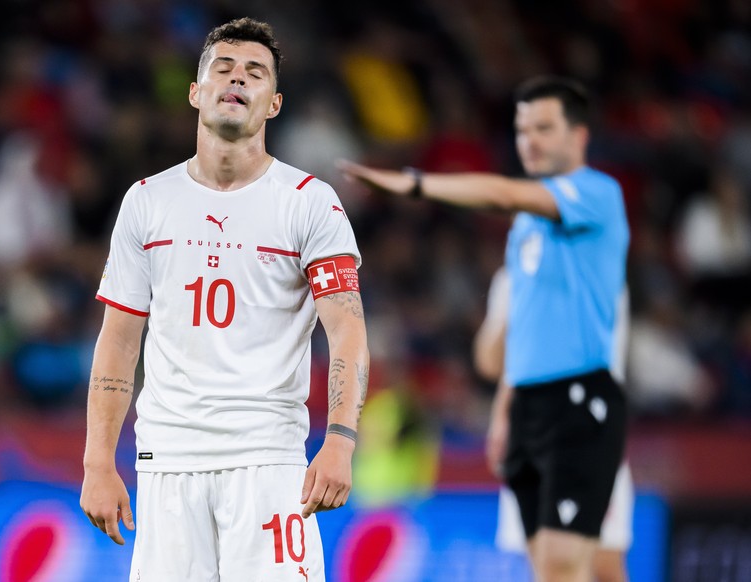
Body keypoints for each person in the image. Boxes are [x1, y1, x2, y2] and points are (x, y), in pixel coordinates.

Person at [80, 18, 369, 582]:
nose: (237, 80)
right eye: (223, 68)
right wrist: (97, 460)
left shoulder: (310, 203)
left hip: (268, 464)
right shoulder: (146, 203)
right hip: (168, 465)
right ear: (196, 92)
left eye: (255, 73)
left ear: (274, 103)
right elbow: (118, 340)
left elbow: (348, 331)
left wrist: (339, 440)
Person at [340, 76, 629, 582]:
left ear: (578, 137)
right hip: (530, 411)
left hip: (579, 402)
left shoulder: (595, 195)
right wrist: (502, 414)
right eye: (522, 130)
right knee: (550, 568)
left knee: (587, 565)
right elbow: (504, 356)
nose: (530, 142)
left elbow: (499, 192)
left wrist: (416, 184)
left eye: (544, 128)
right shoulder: (525, 238)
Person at [475, 267, 634, 582]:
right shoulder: (511, 278)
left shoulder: (598, 268)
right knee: (546, 569)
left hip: (587, 435)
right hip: (530, 439)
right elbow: (490, 363)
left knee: (602, 567)